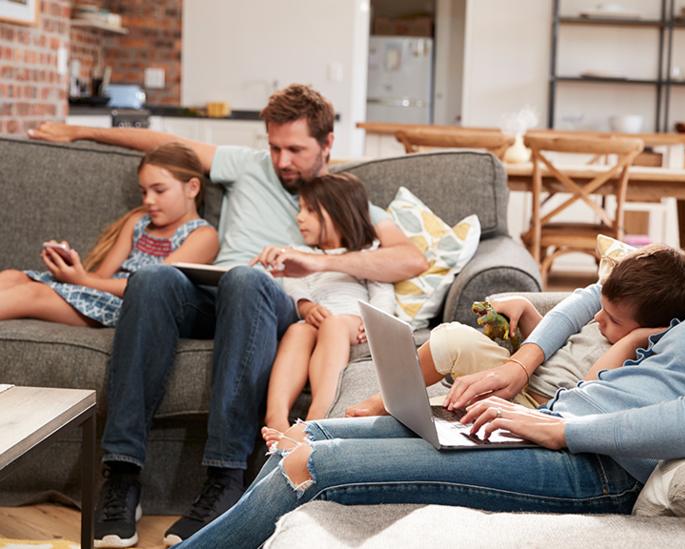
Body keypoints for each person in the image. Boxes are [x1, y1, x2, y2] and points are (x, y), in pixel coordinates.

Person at [172, 105, 685, 549]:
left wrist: (553, 426)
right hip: (551, 427)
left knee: (311, 462)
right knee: (316, 430)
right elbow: (595, 292)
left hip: (596, 469)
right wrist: (517, 368)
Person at [28, 84, 427, 548]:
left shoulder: (343, 199)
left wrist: (317, 262)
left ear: (327, 145)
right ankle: (121, 473)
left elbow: (409, 258)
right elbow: (164, 146)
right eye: (275, 147)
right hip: (208, 293)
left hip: (270, 301)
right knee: (155, 278)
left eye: (295, 150)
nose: (282, 161)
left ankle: (224, 479)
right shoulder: (244, 164)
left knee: (244, 279)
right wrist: (76, 131)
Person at [343, 244, 685, 418]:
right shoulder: (609, 319)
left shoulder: (636, 350)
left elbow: (592, 390)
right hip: (521, 375)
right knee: (452, 336)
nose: (599, 320)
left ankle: (402, 408)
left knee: (450, 384)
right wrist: (529, 314)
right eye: (602, 309)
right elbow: (556, 346)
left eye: (613, 321)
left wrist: (631, 340)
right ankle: (386, 399)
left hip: (535, 407)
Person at [0, 142, 218, 327]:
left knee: (32, 294)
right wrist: (71, 267)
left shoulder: (202, 235)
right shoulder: (138, 222)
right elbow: (102, 276)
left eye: (159, 191)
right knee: (13, 276)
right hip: (99, 290)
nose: (148, 200)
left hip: (129, 305)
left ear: (192, 188)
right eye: (144, 191)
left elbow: (153, 287)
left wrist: (82, 280)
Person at [262, 172, 395, 441]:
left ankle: (315, 418)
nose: (299, 217)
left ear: (338, 212)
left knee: (333, 324)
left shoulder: (366, 253)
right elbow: (292, 284)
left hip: (351, 319)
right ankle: (276, 417)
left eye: (310, 210)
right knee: (298, 330)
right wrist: (307, 307)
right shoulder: (299, 253)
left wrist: (373, 323)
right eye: (300, 209)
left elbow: (383, 290)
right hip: (315, 318)